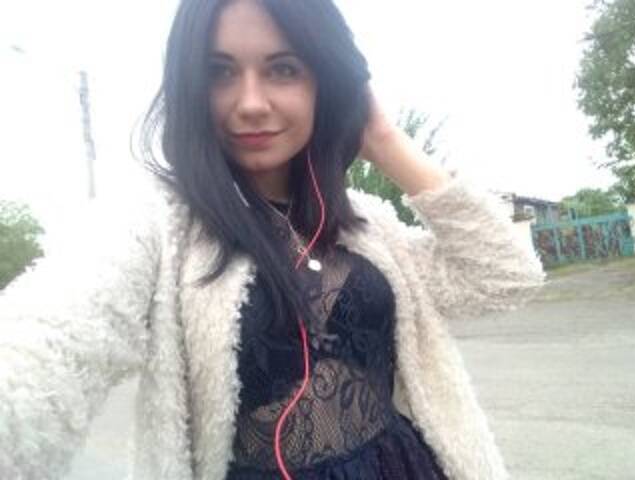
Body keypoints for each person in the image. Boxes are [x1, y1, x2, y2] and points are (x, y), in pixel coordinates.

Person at [0, 0, 546, 479]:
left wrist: (382, 138)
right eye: (219, 72)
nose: (251, 103)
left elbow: (504, 275)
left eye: (283, 69)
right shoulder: (156, 226)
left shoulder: (365, 223)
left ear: (323, 82)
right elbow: (42, 345)